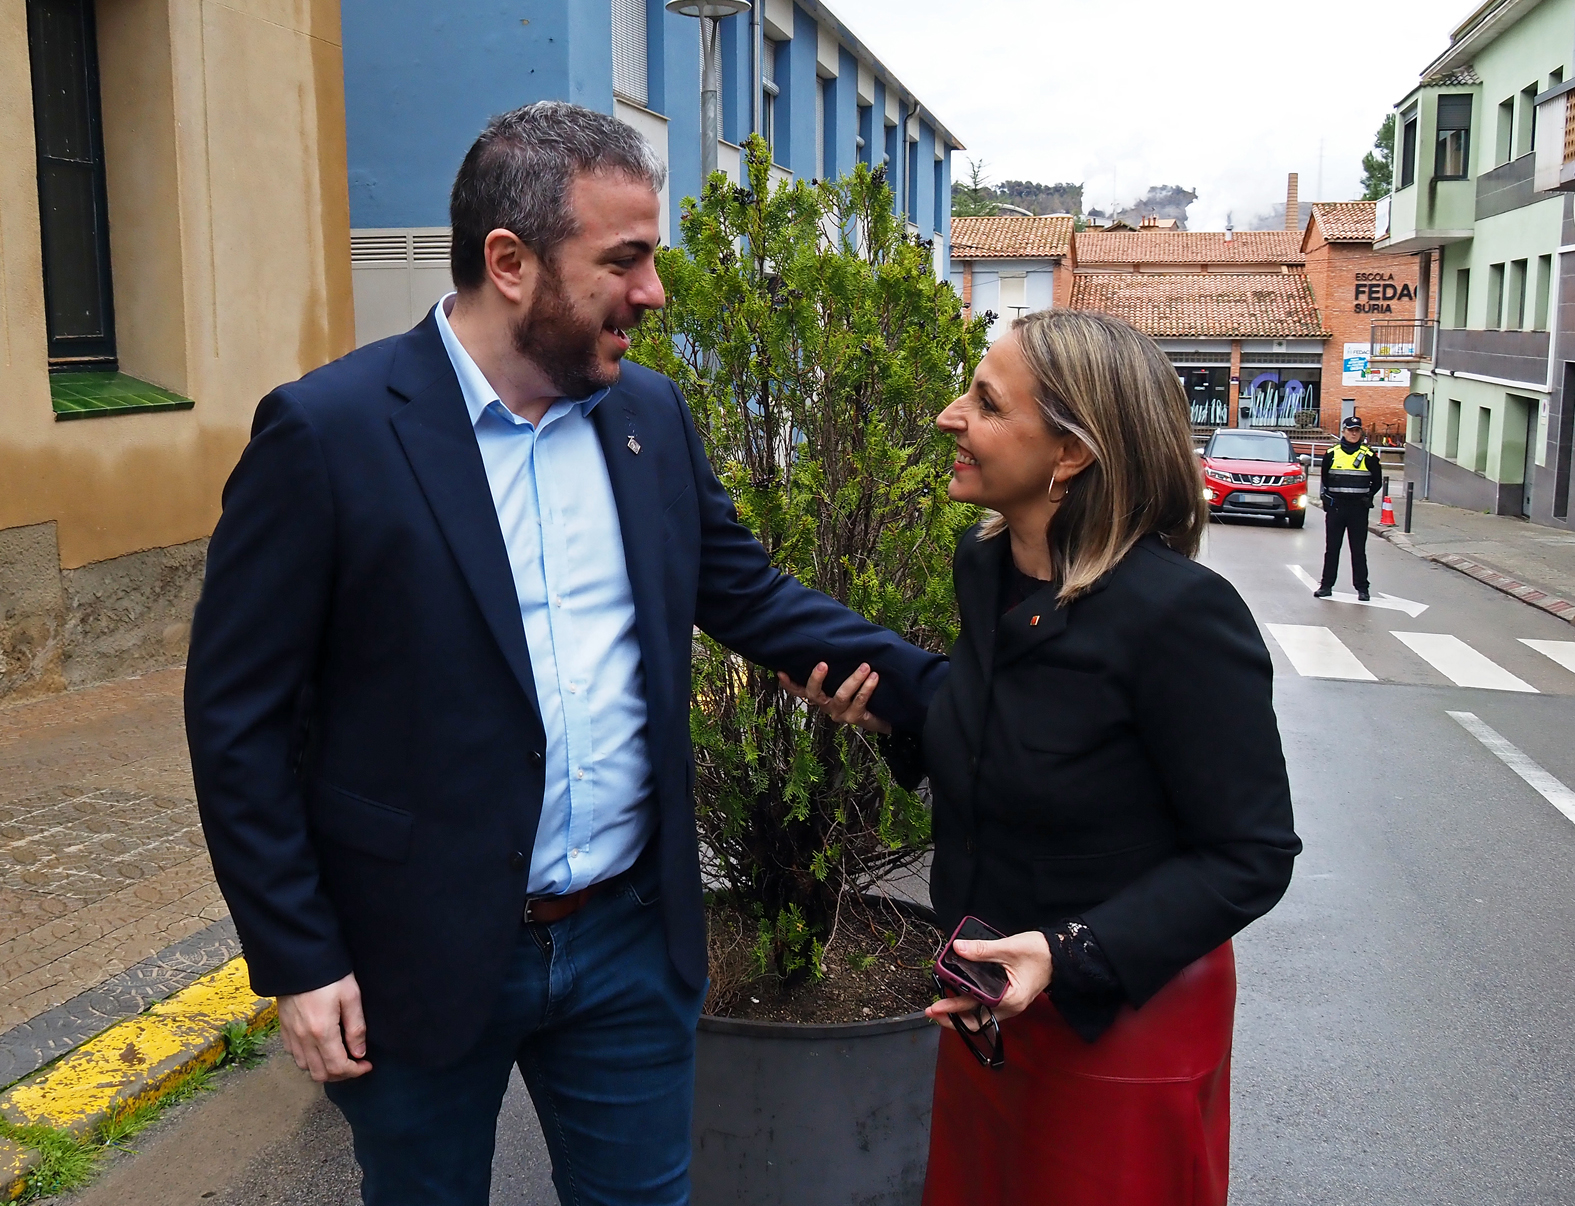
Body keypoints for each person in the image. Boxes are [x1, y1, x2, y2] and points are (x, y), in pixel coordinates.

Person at [183, 101, 946, 1206]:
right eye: (623, 260)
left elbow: (750, 595)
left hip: (629, 944)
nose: (654, 292)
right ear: (510, 261)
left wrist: (950, 697)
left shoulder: (648, 418)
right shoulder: (329, 434)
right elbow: (236, 722)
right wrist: (298, 957)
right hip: (418, 955)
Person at [785, 309, 1301, 1205]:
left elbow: (1249, 856)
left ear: (1069, 456)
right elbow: (1012, 734)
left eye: (985, 402)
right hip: (990, 1006)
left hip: (1120, 1027)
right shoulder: (985, 569)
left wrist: (1068, 954)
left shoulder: (1181, 616)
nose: (951, 415)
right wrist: (896, 724)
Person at [1315, 415, 1383, 601]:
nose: (1354, 434)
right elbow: (1325, 479)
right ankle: (1326, 586)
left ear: (1360, 433)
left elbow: (1376, 482)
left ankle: (1362, 588)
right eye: (1350, 430)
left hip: (1358, 510)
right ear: (1343, 431)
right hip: (1337, 508)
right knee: (1332, 549)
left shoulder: (1368, 456)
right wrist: (1328, 500)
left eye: (1357, 431)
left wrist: (1367, 497)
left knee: (1358, 550)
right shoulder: (1332, 453)